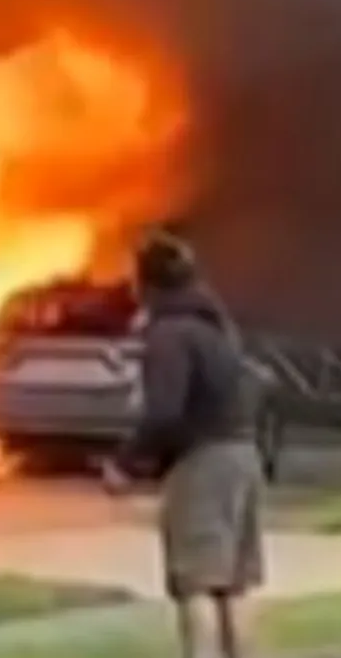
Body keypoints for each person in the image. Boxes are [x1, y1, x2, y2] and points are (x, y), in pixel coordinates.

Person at [117, 232, 266, 658]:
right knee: (236, 585)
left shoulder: (170, 334)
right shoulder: (216, 328)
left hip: (202, 464)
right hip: (244, 455)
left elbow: (164, 411)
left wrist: (127, 463)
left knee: (196, 584)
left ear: (147, 283)